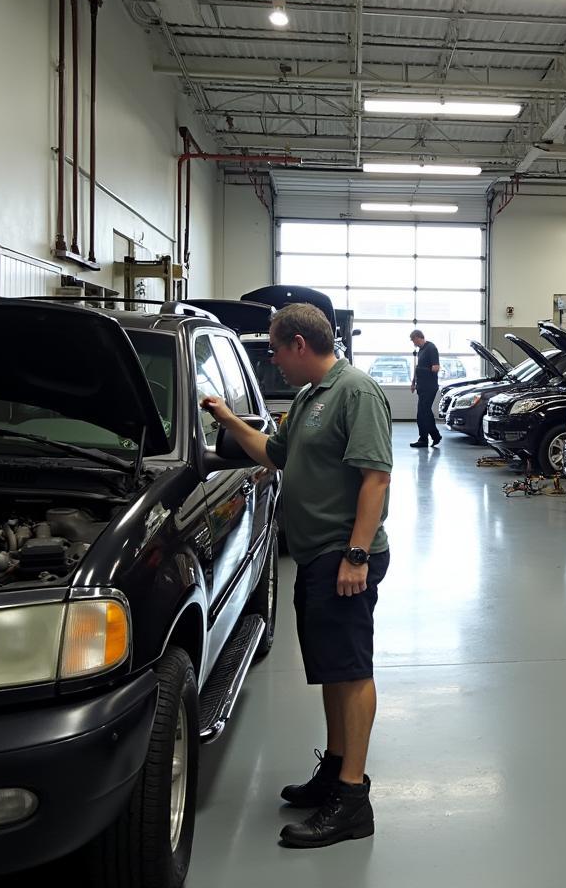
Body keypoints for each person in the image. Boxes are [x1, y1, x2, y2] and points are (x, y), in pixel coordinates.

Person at [201, 303, 392, 848]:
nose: (276, 362)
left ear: (299, 345)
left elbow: (376, 478)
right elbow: (274, 453)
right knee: (333, 669)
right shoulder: (310, 396)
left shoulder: (355, 391)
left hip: (343, 555)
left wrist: (356, 556)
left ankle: (353, 801)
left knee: (351, 671)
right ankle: (335, 771)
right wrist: (227, 419)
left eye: (277, 351)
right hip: (316, 556)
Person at [409, 329, 441, 448]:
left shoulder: (431, 348)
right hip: (421, 386)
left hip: (429, 386)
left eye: (413, 340)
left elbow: (436, 368)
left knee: (424, 412)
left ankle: (433, 436)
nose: (413, 343)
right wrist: (413, 382)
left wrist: (421, 371)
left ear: (418, 337)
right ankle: (424, 439)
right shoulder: (421, 351)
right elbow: (417, 367)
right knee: (421, 414)